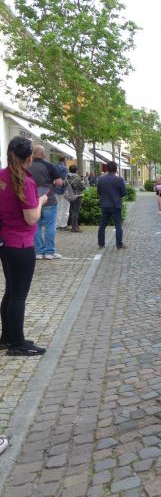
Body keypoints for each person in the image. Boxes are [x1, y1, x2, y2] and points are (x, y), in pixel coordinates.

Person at [0, 137, 48, 356]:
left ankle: (7, 337)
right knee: (18, 295)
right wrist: (40, 202)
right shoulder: (25, 182)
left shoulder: (2, 177)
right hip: (21, 244)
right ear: (29, 158)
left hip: (5, 241)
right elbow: (31, 218)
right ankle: (18, 344)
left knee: (10, 292)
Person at [28, 145, 64, 260]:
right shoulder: (49, 165)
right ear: (43, 154)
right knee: (50, 225)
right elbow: (59, 183)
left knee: (36, 226)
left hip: (33, 199)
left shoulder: (27, 165)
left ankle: (38, 252)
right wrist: (52, 182)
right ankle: (49, 252)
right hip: (49, 199)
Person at [97, 162, 128, 250]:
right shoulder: (119, 179)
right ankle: (119, 244)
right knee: (118, 225)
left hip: (105, 205)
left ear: (107, 169)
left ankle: (101, 244)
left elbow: (99, 192)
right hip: (116, 205)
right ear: (116, 169)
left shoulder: (101, 179)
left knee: (102, 225)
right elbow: (124, 193)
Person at [66, 165, 86, 232]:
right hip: (78, 196)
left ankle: (74, 225)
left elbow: (64, 185)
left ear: (69, 170)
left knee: (72, 211)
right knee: (76, 212)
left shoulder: (67, 177)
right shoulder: (78, 178)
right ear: (76, 170)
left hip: (70, 196)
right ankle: (74, 227)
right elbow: (83, 187)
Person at [54, 155, 69, 230]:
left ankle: (56, 224)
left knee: (57, 207)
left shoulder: (54, 167)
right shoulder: (65, 168)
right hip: (63, 190)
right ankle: (63, 225)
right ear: (65, 159)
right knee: (65, 208)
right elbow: (65, 179)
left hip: (55, 189)